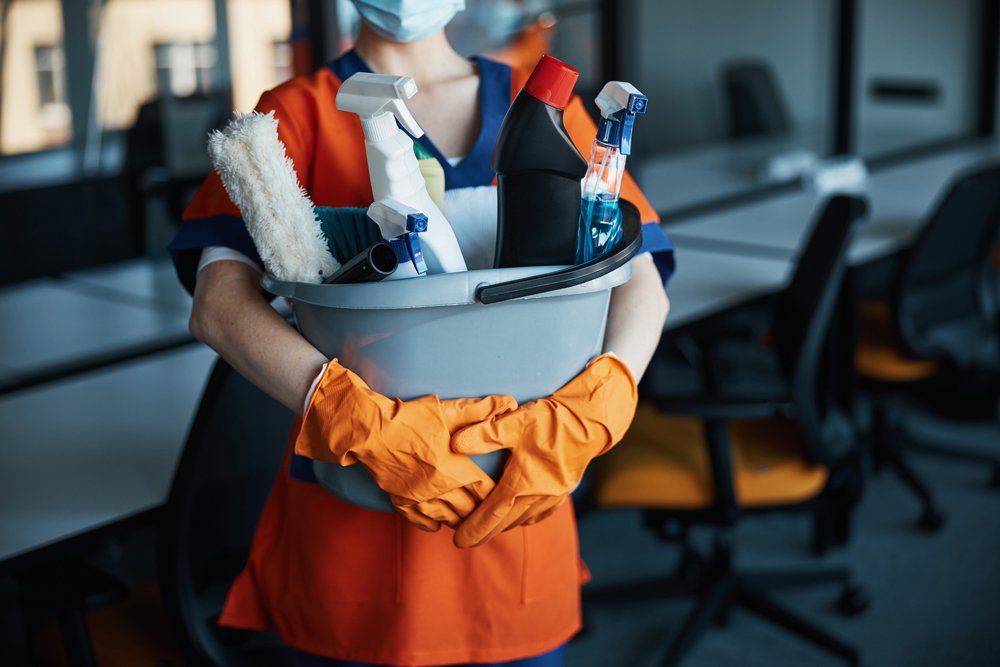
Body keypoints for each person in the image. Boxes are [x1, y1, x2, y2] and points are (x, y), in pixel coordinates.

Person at [169, 2, 673, 665]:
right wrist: (351, 417)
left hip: (518, 519)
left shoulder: (546, 102)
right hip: (356, 544)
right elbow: (219, 304)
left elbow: (640, 278)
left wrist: (600, 401)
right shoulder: (299, 111)